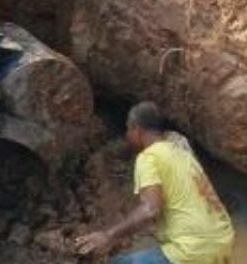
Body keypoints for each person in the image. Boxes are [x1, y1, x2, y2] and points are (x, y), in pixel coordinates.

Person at [75, 101, 235, 264]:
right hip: (222, 243)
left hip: (192, 249)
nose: (127, 136)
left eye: (128, 129)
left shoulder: (149, 157)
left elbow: (150, 209)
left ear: (137, 130)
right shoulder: (181, 152)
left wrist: (108, 235)